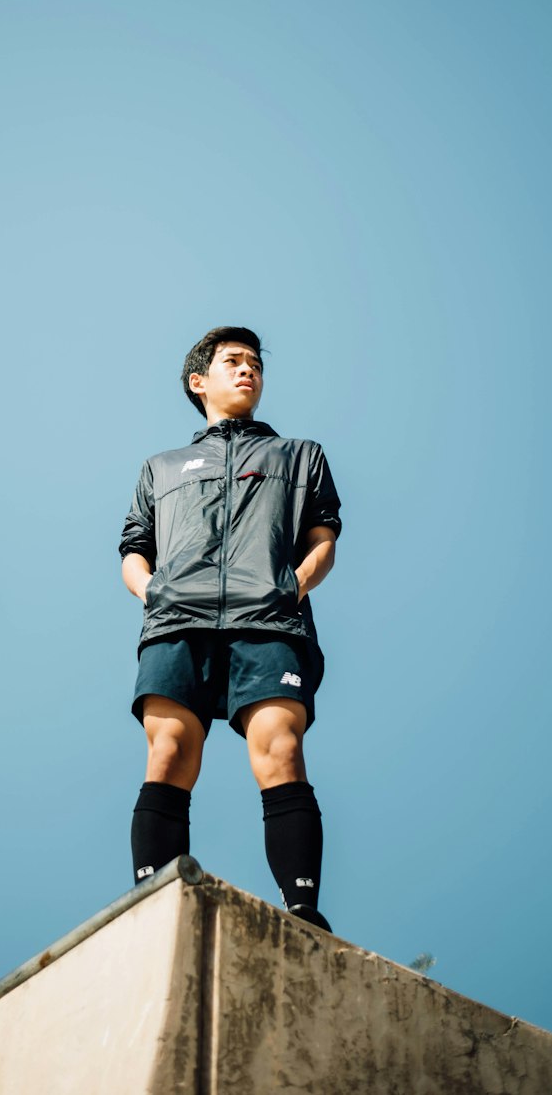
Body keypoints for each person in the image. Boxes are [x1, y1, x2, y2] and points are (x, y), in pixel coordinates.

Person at [119, 326, 342, 930]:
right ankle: (151, 907)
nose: (248, 371)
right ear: (200, 382)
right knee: (167, 754)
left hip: (269, 621)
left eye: (255, 364)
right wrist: (153, 590)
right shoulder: (161, 468)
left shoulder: (299, 455)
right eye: (232, 362)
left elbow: (323, 537)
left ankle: (301, 908)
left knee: (282, 749)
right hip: (177, 622)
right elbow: (134, 549)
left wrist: (292, 586)